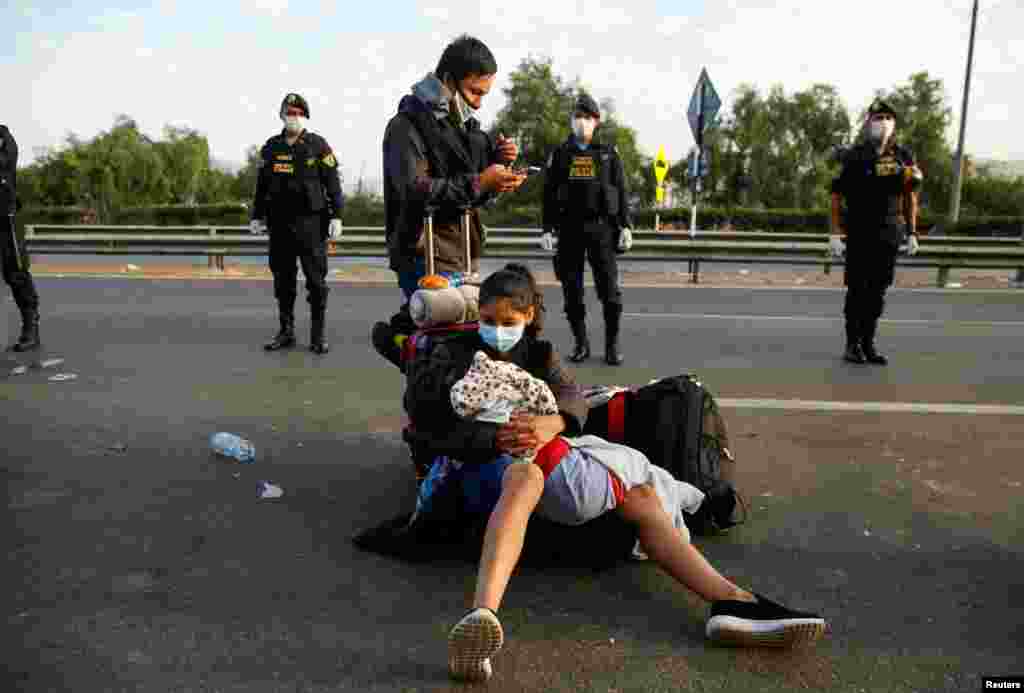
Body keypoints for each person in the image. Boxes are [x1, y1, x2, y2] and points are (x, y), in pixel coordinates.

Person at [403, 264, 828, 683]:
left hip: (542, 457)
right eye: (488, 320)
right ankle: (483, 615)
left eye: (508, 321)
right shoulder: (452, 355)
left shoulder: (539, 353)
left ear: (528, 316)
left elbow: (573, 397)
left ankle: (731, 602)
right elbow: (426, 430)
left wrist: (553, 423)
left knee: (640, 495)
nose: (496, 330)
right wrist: (491, 439)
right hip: (476, 471)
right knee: (525, 477)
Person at [373, 35, 525, 366]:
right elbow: (415, 190)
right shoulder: (405, 126)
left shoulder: (466, 131)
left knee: (457, 336)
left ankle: (403, 333)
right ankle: (401, 342)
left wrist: (499, 169)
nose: (479, 103)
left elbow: (472, 193)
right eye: (474, 92)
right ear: (447, 81)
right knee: (443, 351)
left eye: (485, 94)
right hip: (421, 249)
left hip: (462, 251)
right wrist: (480, 181)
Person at [541, 92, 634, 366]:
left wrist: (626, 226)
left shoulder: (608, 154)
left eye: (588, 118)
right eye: (578, 117)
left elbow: (622, 190)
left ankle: (612, 347)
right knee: (572, 291)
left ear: (597, 122)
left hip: (602, 229)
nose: (582, 122)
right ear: (571, 121)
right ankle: (581, 344)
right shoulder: (560, 154)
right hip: (569, 230)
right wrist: (547, 229)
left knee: (610, 292)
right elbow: (548, 193)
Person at [250, 93, 344, 355]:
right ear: (281, 115)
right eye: (289, 113)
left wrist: (337, 215)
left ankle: (317, 335)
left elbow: (333, 183)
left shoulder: (318, 145)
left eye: (298, 114)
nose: (293, 118)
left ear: (305, 117)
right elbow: (261, 186)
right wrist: (256, 215)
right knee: (283, 280)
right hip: (279, 224)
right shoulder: (271, 147)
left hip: (311, 225)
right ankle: (286, 331)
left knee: (316, 282)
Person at [830, 98, 922, 365]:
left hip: (890, 233)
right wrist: (835, 233)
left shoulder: (904, 156)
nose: (883, 123)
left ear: (894, 123)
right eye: (877, 118)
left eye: (887, 118)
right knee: (858, 290)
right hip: (860, 232)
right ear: (868, 122)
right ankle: (852, 344)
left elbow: (910, 197)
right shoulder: (855, 156)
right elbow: (836, 195)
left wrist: (913, 232)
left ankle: (869, 343)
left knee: (878, 292)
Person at [1, 124, 41, 352]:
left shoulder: (5, 140)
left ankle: (31, 327)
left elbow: (5, 163)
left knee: (15, 273)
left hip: (6, 218)